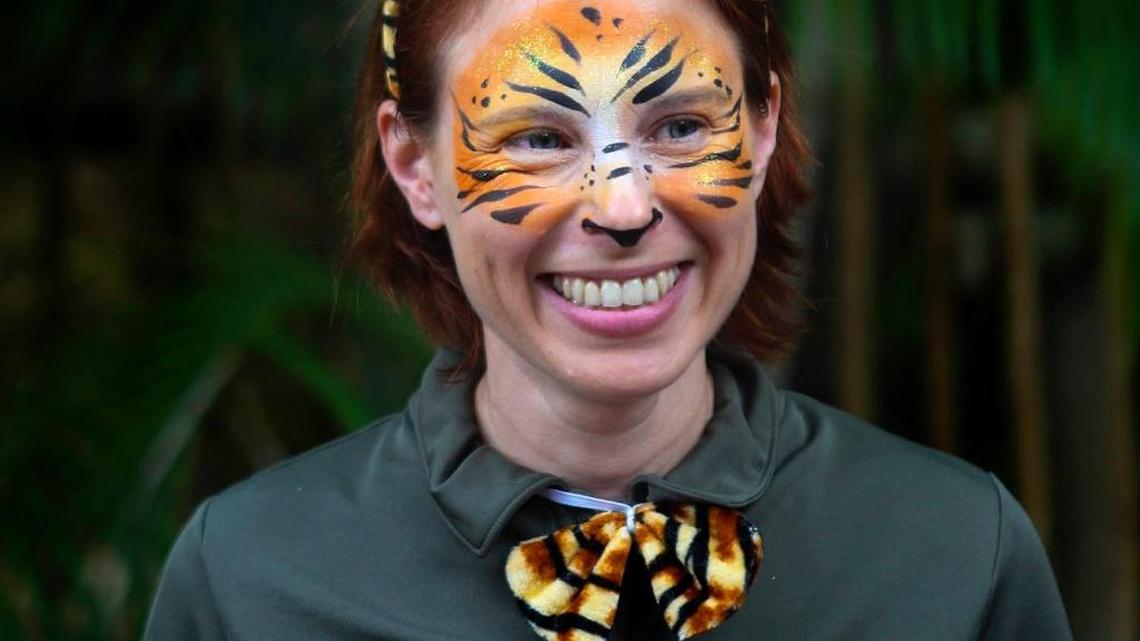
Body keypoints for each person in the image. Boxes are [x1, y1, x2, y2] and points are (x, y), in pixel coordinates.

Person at [143, 0, 1073, 639]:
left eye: (677, 126)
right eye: (539, 138)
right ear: (414, 165)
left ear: (758, 133)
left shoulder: (956, 552)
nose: (622, 207)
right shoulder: (249, 580)